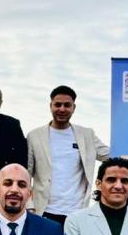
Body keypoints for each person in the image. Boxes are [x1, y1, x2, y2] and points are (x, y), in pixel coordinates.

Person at [26, 85, 109, 226]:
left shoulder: (87, 135)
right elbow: (26, 174)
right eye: (58, 105)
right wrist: (29, 206)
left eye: (67, 105)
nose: (62, 109)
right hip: (43, 211)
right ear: (50, 106)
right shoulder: (35, 136)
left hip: (77, 212)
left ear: (73, 107)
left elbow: (110, 156)